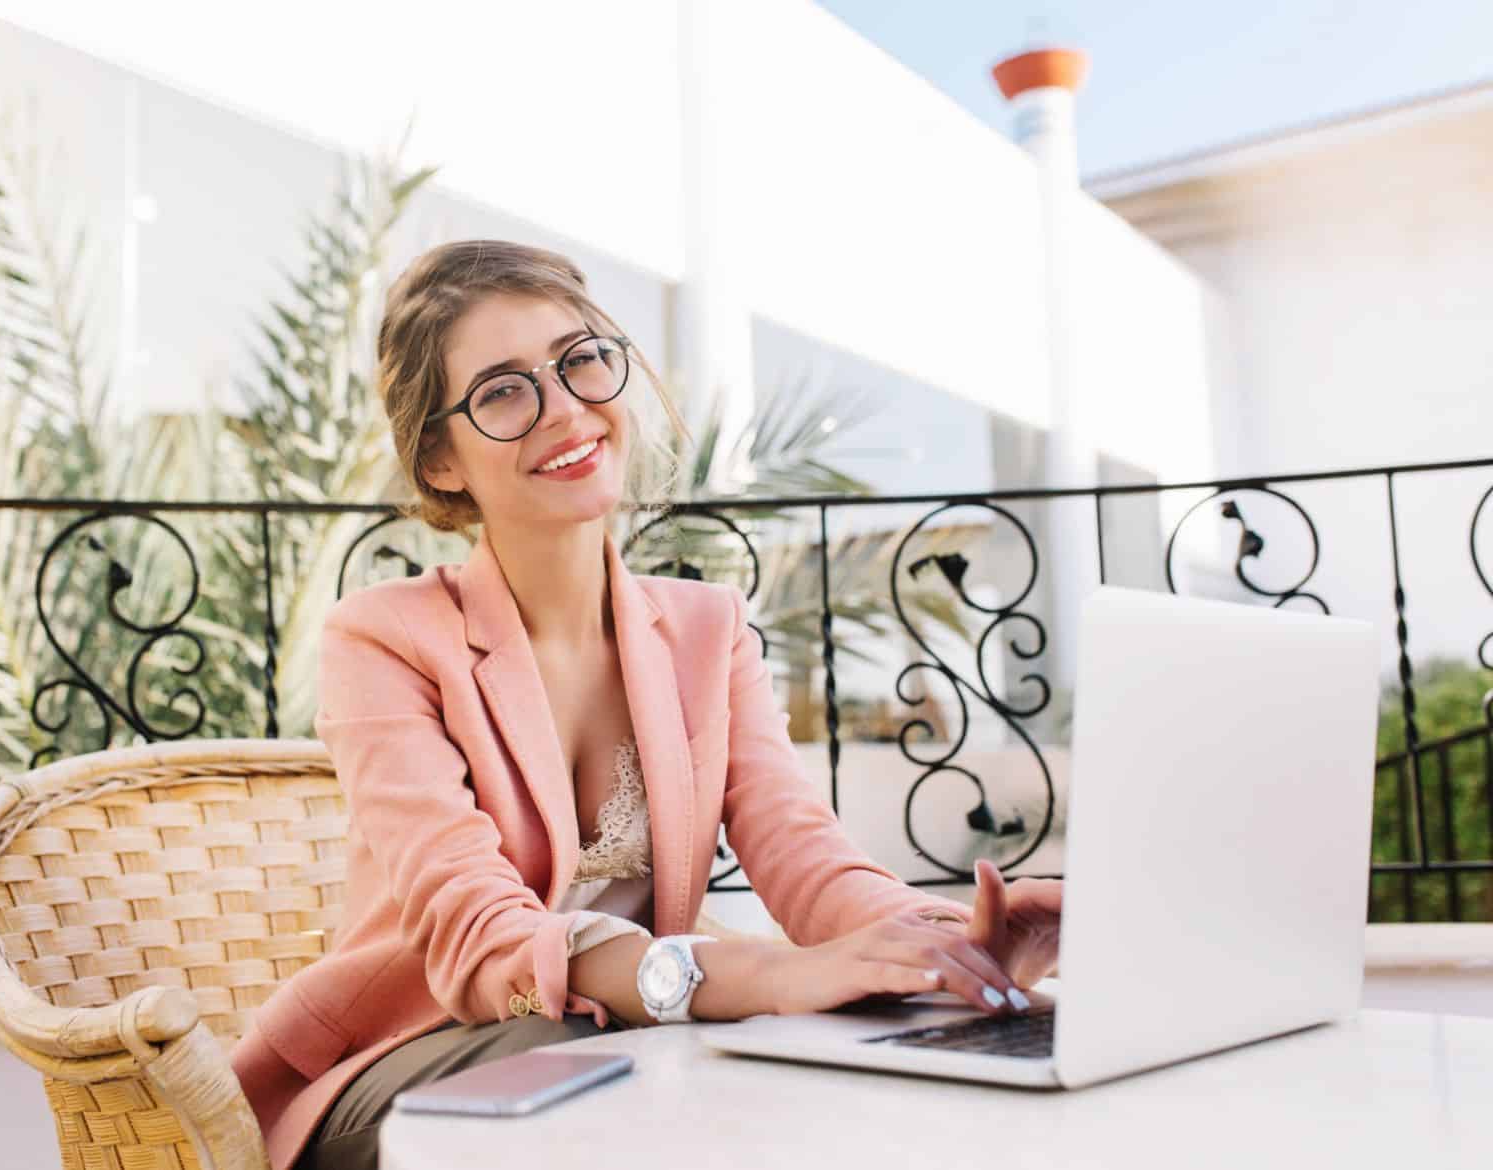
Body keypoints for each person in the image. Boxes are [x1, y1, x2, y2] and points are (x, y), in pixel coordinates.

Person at [229, 240, 1062, 1170]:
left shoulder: (709, 629)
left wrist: (950, 942)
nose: (567, 409)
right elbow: (478, 936)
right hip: (404, 1069)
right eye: (504, 391)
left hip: (618, 1053)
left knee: (817, 1058)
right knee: (613, 1066)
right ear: (441, 459)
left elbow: (804, 857)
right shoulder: (382, 639)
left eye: (581, 360)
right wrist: (762, 975)